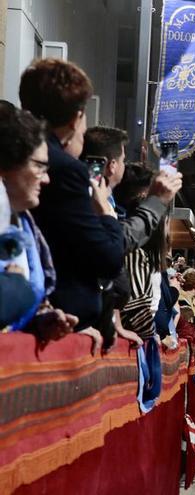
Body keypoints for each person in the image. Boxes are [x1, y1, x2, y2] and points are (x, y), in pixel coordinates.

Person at [20, 59, 123, 345]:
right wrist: (107, 215)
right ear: (76, 118)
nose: (44, 179)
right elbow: (107, 259)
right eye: (37, 167)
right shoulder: (66, 170)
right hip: (55, 318)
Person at [0, 105, 79, 343]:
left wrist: (40, 320)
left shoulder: (24, 221)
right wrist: (16, 291)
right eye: (39, 166)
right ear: (6, 165)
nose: (46, 178)